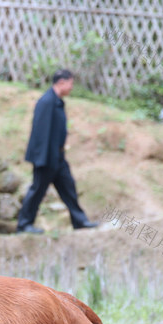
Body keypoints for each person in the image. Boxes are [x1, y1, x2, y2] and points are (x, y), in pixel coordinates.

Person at [16, 69, 98, 234]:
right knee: (37, 190)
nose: (71, 87)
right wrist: (42, 158)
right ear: (61, 82)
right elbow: (40, 132)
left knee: (68, 187)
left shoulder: (57, 102)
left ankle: (79, 221)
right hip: (46, 157)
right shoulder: (46, 102)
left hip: (57, 156)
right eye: (70, 83)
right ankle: (24, 225)